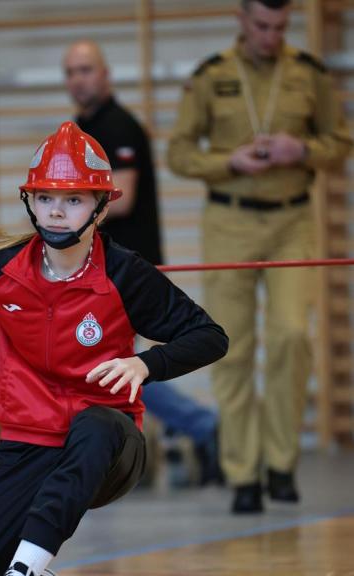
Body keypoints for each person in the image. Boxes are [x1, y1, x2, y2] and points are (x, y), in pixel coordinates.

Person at [0, 121, 228, 576]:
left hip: (107, 448)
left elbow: (210, 336)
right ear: (30, 202)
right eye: (45, 198)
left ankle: (23, 574)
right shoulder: (1, 267)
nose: (56, 212)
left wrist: (146, 365)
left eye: (72, 200)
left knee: (96, 423)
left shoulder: (126, 274)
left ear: (101, 208)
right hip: (26, 450)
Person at [167, 0, 352, 513]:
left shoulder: (308, 73)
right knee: (231, 346)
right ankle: (243, 473)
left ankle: (281, 463)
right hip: (229, 219)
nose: (271, 36)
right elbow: (179, 152)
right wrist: (229, 161)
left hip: (292, 218)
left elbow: (341, 141)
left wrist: (304, 151)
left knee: (292, 335)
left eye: (280, 27)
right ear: (242, 19)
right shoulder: (211, 76)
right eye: (262, 26)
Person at [63, 39, 222, 485]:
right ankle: (183, 433)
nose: (78, 80)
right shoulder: (83, 128)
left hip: (127, 267)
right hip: (99, 265)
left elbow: (124, 197)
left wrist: (60, 216)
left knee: (114, 364)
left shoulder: (118, 126)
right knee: (108, 363)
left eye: (86, 70)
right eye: (71, 72)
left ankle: (201, 426)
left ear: (106, 75)